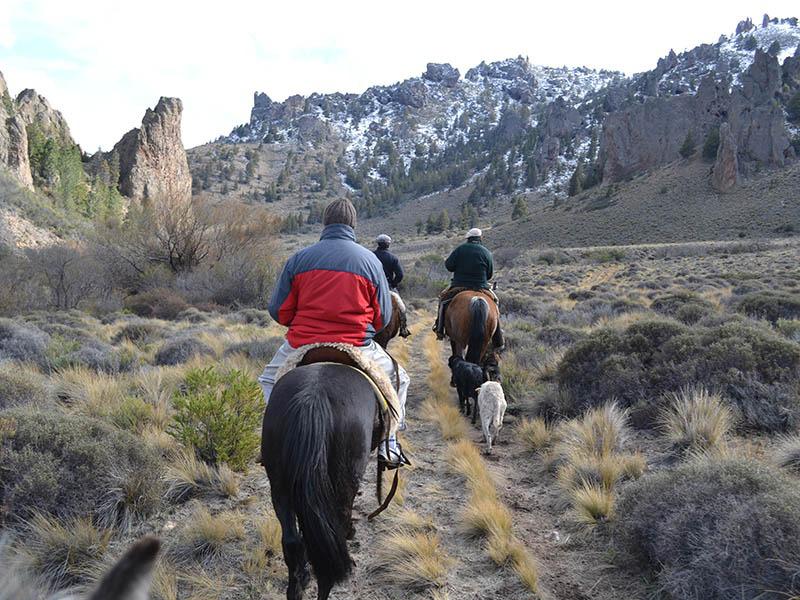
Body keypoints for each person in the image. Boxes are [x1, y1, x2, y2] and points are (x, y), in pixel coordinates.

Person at [257, 199, 410, 467]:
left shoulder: (299, 258)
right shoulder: (370, 261)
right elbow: (383, 317)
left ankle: (270, 440)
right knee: (402, 380)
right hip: (356, 345)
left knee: (268, 380)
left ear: (325, 222)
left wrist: (303, 322)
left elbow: (278, 310)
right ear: (353, 224)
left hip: (303, 344)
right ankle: (390, 444)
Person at [433, 227, 505, 350]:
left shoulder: (460, 249)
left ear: (468, 238)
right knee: (495, 302)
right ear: (480, 238)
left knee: (443, 300)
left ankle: (439, 329)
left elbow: (449, 266)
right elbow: (490, 274)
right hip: (481, 286)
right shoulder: (486, 252)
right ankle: (498, 338)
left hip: (459, 285)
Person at [373, 234, 410, 338]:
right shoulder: (393, 258)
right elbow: (400, 275)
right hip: (388, 287)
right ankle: (403, 328)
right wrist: (393, 284)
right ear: (388, 245)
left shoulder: (370, 255)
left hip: (371, 286)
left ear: (378, 243)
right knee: (402, 307)